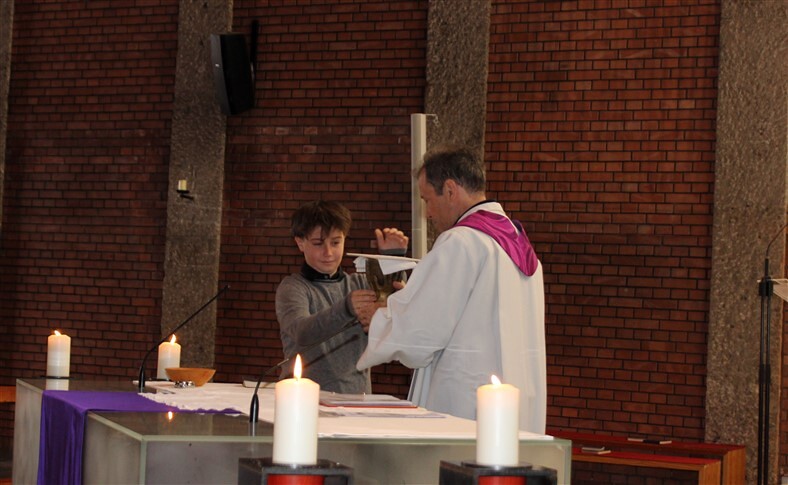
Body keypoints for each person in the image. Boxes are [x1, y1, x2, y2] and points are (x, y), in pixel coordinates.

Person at [356, 147, 546, 433]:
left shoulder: (461, 241)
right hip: (512, 398)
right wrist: (411, 300)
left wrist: (381, 317)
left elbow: (422, 333)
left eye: (427, 200)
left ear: (450, 190)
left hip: (467, 401)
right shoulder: (517, 242)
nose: (428, 213)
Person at [275, 200, 408, 394]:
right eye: (318, 243)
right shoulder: (293, 287)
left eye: (336, 242)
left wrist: (393, 259)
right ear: (300, 243)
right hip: (306, 398)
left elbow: (396, 300)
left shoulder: (360, 283)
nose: (328, 252)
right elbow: (302, 333)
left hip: (357, 397)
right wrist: (345, 309)